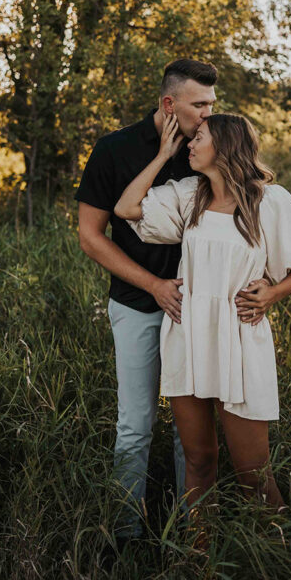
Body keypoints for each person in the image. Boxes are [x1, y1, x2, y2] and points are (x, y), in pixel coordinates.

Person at [114, 111, 291, 539]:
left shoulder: (269, 200)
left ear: (225, 145)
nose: (190, 144)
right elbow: (127, 207)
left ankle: (279, 556)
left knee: (253, 473)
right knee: (199, 460)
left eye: (198, 137)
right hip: (188, 335)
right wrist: (163, 153)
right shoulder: (189, 195)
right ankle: (199, 562)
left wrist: (273, 293)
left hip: (239, 336)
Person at [75, 59, 218, 554]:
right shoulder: (114, 149)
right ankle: (124, 535)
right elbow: (91, 238)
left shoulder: (209, 148)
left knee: (190, 432)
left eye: (211, 104)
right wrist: (154, 285)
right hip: (137, 304)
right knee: (135, 424)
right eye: (199, 104)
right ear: (168, 103)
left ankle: (190, 534)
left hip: (197, 313)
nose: (208, 113)